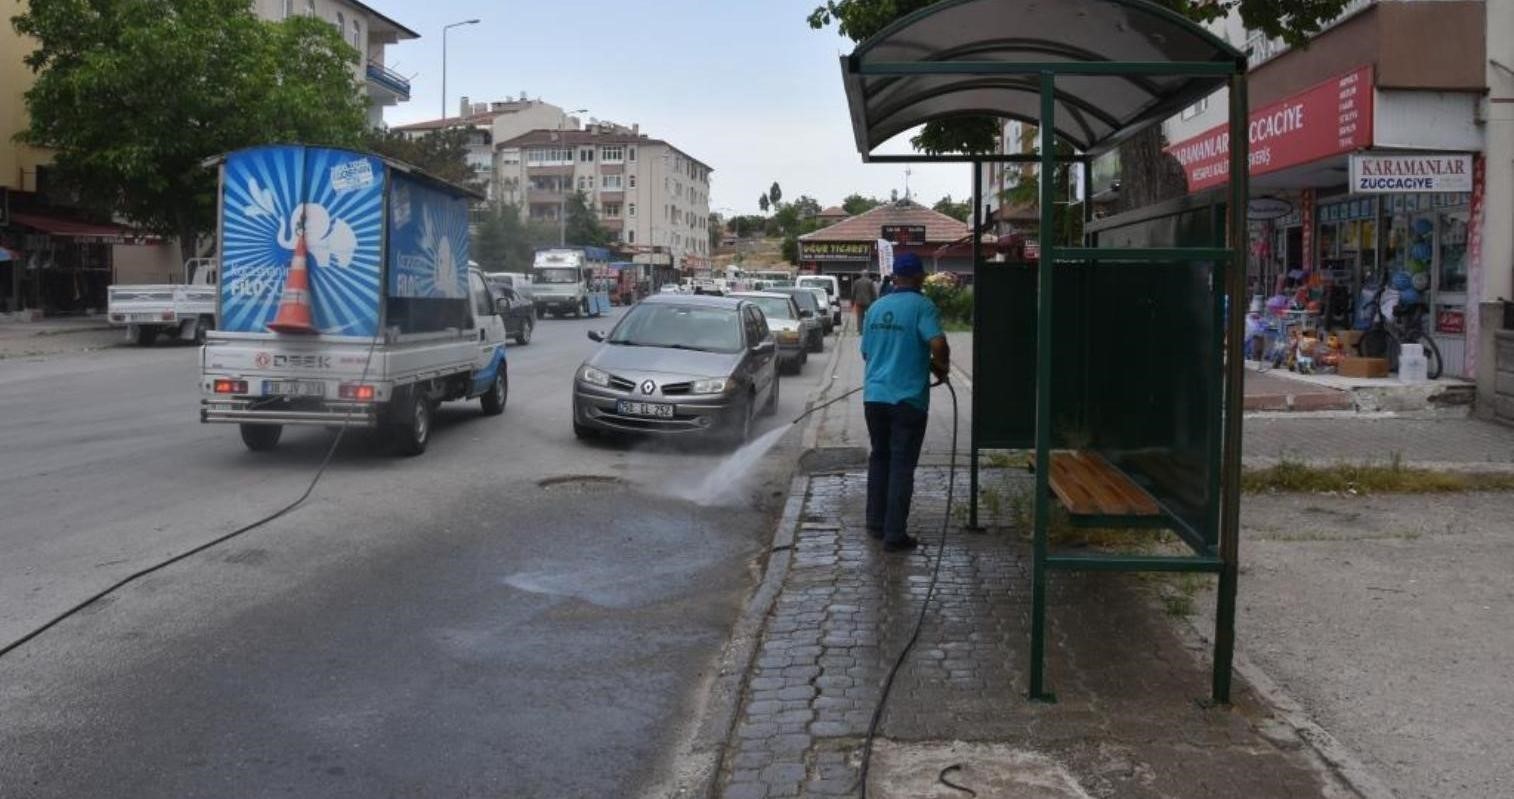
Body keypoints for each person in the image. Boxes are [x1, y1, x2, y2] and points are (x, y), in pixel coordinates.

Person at [860, 253, 950, 552]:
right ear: (920, 277)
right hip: (908, 400)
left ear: (895, 277)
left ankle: (875, 523)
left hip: (874, 398)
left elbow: (866, 353)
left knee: (880, 457)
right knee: (901, 464)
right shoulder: (923, 306)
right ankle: (894, 534)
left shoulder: (876, 307)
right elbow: (937, 343)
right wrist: (942, 366)